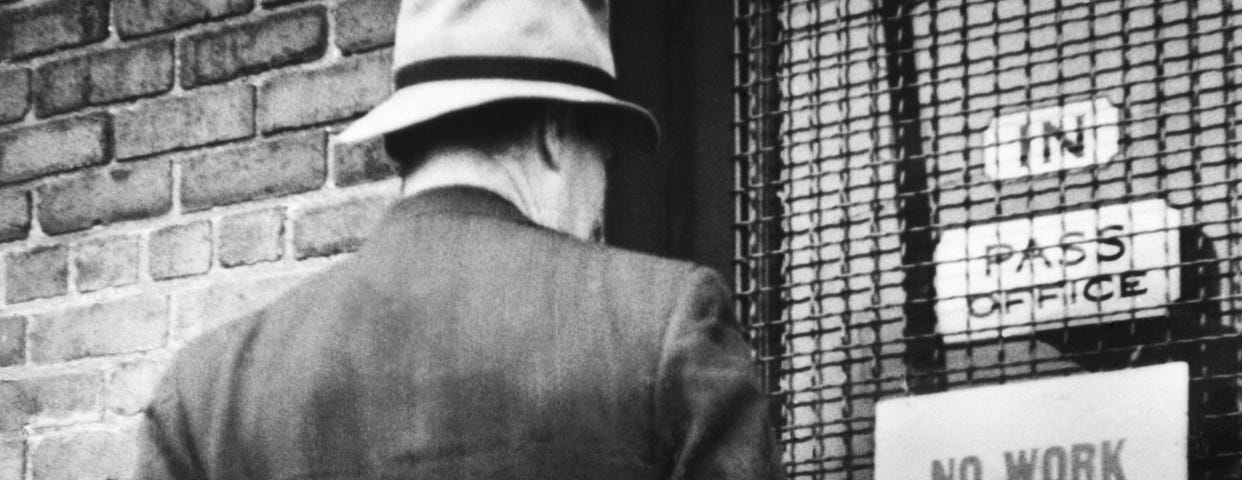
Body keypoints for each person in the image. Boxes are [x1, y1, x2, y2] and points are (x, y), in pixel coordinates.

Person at [136, 1, 778, 479]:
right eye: (604, 155)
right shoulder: (663, 325)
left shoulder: (207, 397)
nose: (598, 207)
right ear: (556, 129)